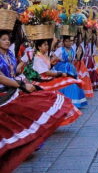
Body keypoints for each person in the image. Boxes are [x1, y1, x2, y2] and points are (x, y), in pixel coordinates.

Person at [0, 31, 80, 172]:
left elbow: (17, 71)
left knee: (36, 106)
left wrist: (23, 81)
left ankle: (25, 144)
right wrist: (22, 84)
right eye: (3, 39)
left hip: (15, 87)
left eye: (8, 39)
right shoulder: (30, 55)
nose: (7, 41)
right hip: (5, 92)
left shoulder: (10, 55)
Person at [53, 36, 87, 108]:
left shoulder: (72, 49)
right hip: (62, 68)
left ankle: (74, 102)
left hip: (71, 69)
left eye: (70, 41)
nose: (69, 43)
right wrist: (59, 59)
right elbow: (53, 57)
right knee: (65, 84)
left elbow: (74, 59)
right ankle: (65, 103)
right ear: (64, 42)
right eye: (67, 41)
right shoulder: (60, 49)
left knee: (73, 83)